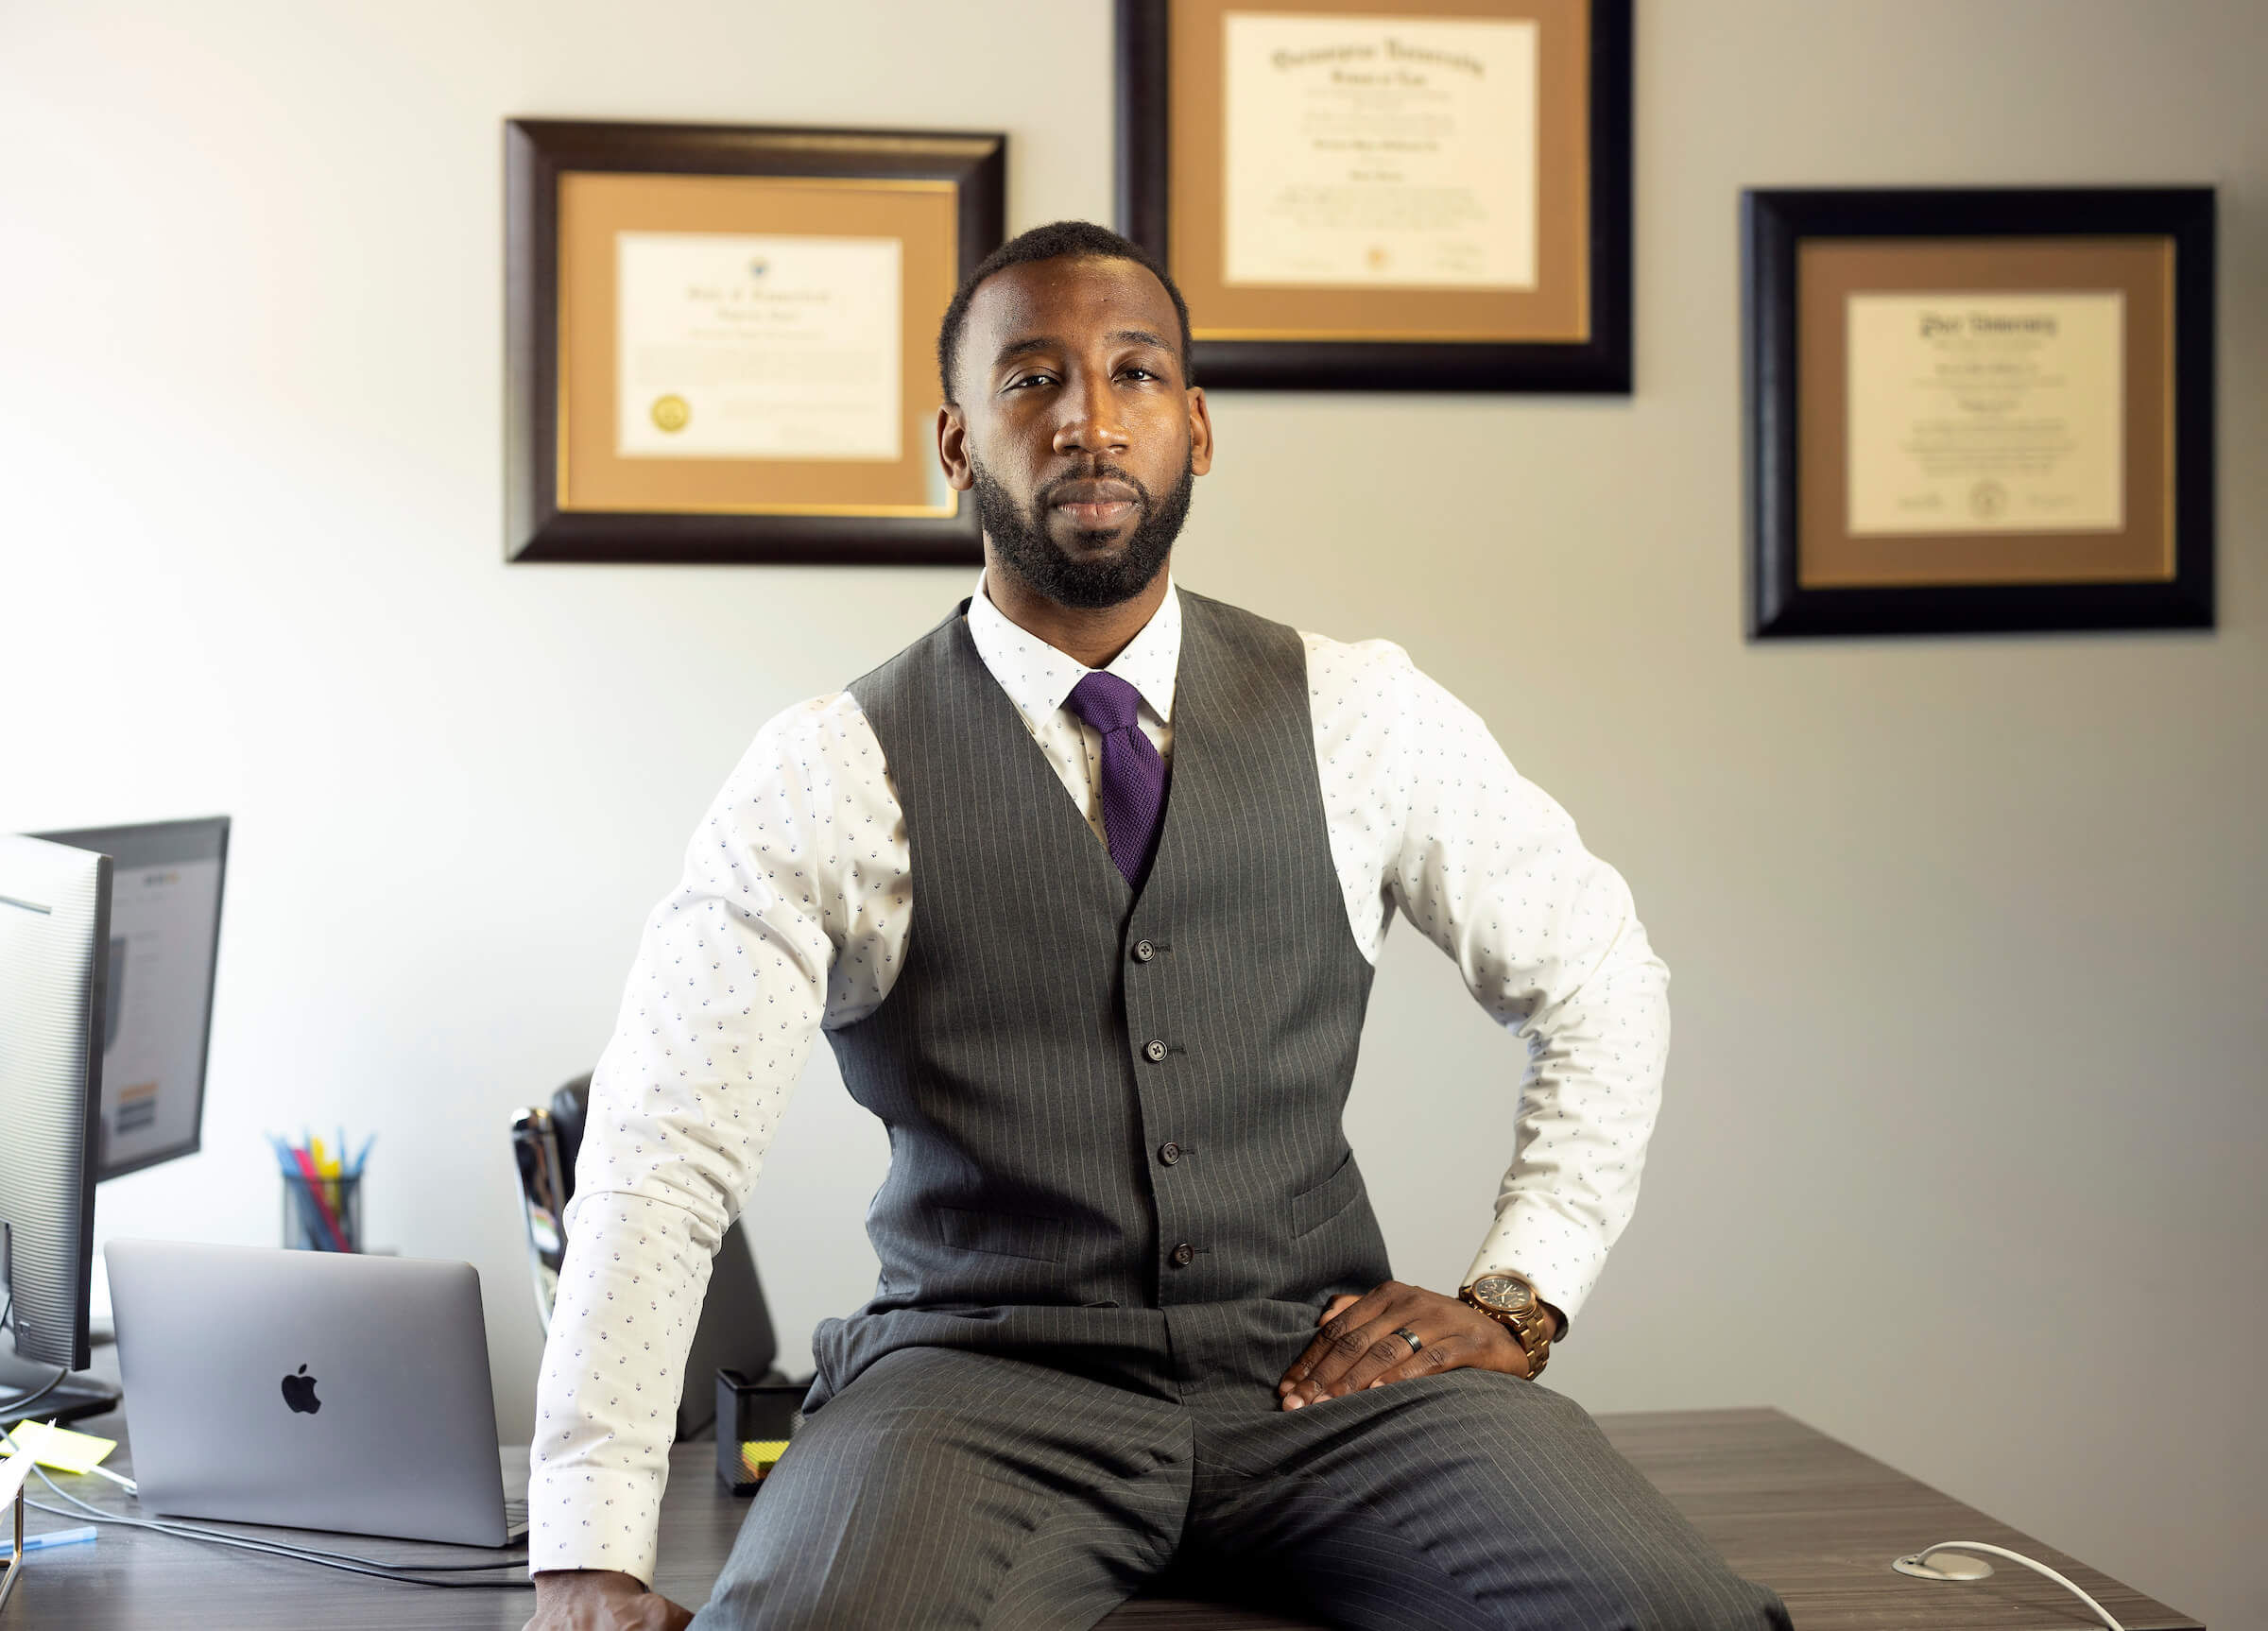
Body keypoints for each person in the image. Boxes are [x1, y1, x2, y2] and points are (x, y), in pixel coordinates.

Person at [524, 220, 1789, 1631]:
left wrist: (1521, 1289)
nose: (1089, 418)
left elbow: (1605, 978)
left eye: (1135, 375)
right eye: (1033, 381)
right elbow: (660, 1148)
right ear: (956, 445)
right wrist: (588, 1540)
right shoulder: (829, 770)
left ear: (1195, 426)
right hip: (971, 1396)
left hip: (1325, 1385)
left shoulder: (1359, 712)